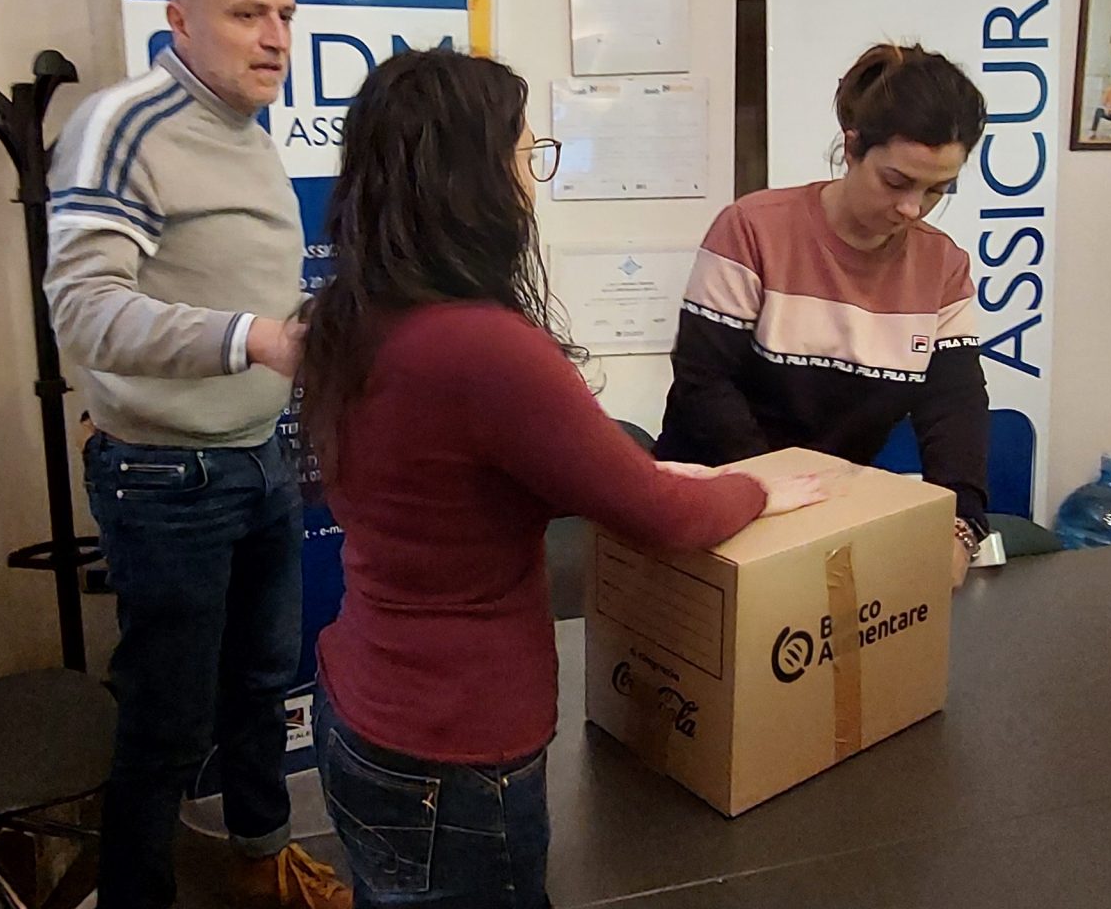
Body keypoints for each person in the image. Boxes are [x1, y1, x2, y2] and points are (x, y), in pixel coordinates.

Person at [300, 49, 829, 908]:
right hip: (452, 748)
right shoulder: (484, 346)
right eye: (526, 155)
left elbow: (451, 486)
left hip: (361, 706)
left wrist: (630, 468)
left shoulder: (355, 313)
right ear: (474, 179)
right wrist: (757, 488)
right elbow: (663, 518)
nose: (531, 180)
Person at [43, 0, 346, 909]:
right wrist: (253, 339)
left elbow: (227, 288)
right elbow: (83, 311)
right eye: (247, 15)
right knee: (167, 719)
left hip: (256, 456)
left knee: (262, 683)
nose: (276, 38)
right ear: (177, 20)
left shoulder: (246, 131)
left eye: (285, 16)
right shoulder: (122, 126)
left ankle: (262, 859)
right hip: (168, 476)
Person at [655, 43, 999, 567]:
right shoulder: (753, 230)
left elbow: (955, 406)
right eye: (896, 182)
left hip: (821, 516)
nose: (912, 208)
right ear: (853, 147)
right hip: (714, 504)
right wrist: (772, 498)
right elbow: (704, 384)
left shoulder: (942, 267)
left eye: (937, 190)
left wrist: (962, 524)